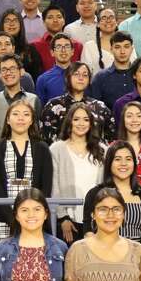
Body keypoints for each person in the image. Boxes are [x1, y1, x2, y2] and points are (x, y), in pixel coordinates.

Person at [0, 97, 53, 245]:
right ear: (8, 120)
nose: (21, 118)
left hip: (33, 216)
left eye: (26, 114)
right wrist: (10, 218)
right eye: (16, 114)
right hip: (3, 218)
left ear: (31, 121)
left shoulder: (41, 148)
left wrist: (35, 212)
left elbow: (46, 186)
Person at [82, 142, 141, 245]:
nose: (123, 163)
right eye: (117, 159)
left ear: (134, 163)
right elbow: (88, 231)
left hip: (139, 255)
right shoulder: (94, 194)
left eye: (128, 159)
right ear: (109, 163)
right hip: (104, 253)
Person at [51, 103, 105, 243]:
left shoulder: (102, 150)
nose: (81, 123)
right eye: (76, 119)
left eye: (86, 119)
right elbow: (54, 186)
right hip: (68, 221)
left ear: (91, 123)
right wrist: (63, 218)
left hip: (96, 220)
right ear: (69, 122)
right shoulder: (57, 149)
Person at [40, 61, 114, 144]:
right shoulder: (53, 106)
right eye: (76, 74)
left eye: (85, 75)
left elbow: (110, 137)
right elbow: (45, 138)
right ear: (67, 78)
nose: (81, 78)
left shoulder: (100, 107)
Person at [0, 54, 38, 145]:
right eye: (4, 70)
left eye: (12, 69)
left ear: (21, 72)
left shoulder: (33, 100)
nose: (8, 73)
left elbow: (37, 133)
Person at [89, 31, 138, 109]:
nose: (122, 51)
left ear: (132, 49)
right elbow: (95, 108)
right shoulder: (100, 77)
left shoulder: (140, 75)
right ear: (111, 49)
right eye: (117, 47)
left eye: (126, 46)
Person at [30, 8, 83, 77]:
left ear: (64, 21)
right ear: (43, 22)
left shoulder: (77, 46)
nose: (55, 20)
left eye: (59, 17)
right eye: (50, 17)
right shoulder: (34, 46)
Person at [33, 35, 80, 112]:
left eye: (67, 46)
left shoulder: (82, 77)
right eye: (58, 47)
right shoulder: (43, 79)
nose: (63, 50)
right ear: (52, 52)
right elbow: (40, 110)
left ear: (72, 52)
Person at [81, 8, 136, 73]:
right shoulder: (89, 46)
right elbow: (85, 72)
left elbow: (134, 68)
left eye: (111, 17)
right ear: (98, 24)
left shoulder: (127, 44)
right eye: (104, 18)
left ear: (116, 23)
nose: (108, 21)